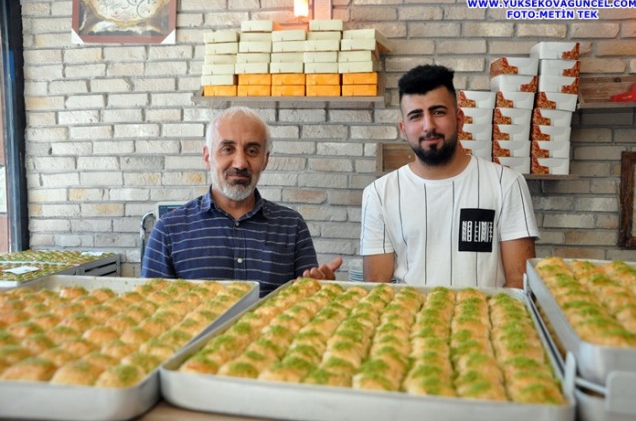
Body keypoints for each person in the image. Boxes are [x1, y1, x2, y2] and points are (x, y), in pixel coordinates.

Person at [359, 64, 538, 289]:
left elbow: (519, 283)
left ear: (460, 119)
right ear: (404, 129)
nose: (428, 126)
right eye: (416, 116)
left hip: (484, 320)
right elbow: (377, 287)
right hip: (409, 321)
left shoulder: (507, 184)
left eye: (438, 112)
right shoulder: (378, 194)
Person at [142, 106, 342, 296]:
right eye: (228, 149)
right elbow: (150, 312)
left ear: (265, 160)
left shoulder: (292, 226)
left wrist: (321, 291)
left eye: (252, 151)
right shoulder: (168, 231)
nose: (240, 163)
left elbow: (306, 305)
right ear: (207, 156)